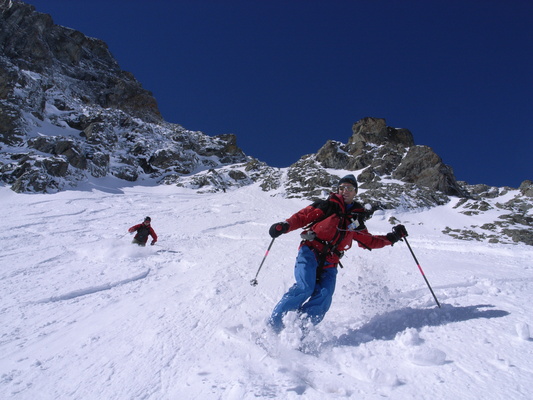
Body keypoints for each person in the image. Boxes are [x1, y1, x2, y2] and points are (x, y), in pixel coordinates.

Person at [267, 174, 407, 333]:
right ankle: (274, 327)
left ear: (355, 192)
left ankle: (300, 332)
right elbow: (302, 217)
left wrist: (392, 237)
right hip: (310, 251)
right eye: (341, 188)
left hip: (331, 261)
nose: (344, 191)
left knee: (324, 297)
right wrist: (284, 226)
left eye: (349, 188)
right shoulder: (326, 206)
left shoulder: (356, 220)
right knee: (305, 286)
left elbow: (369, 241)